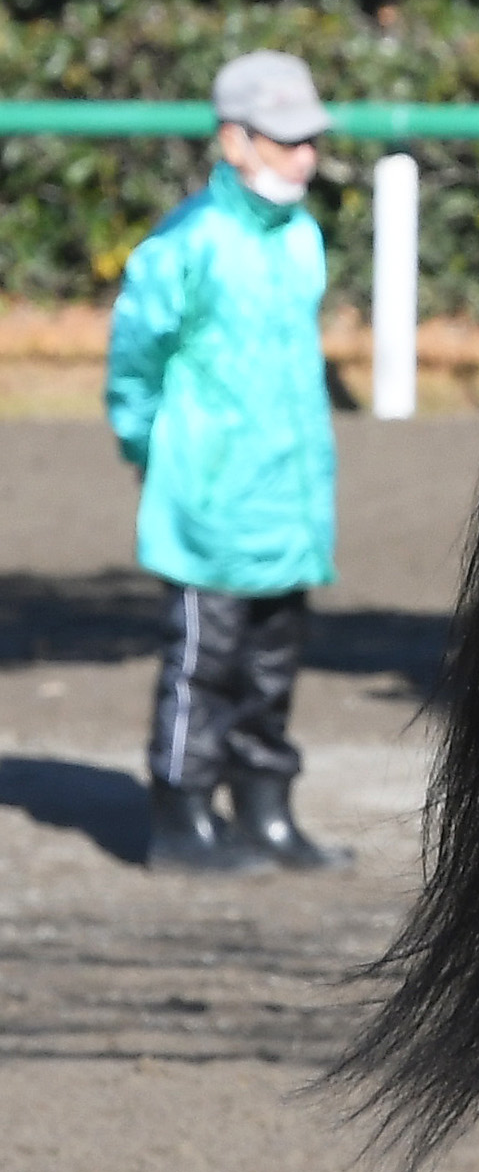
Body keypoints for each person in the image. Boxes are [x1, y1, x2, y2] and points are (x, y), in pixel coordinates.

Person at [106, 50, 349, 875]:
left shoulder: (302, 237)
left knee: (274, 664)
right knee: (202, 664)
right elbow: (134, 365)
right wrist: (154, 453)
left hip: (289, 493)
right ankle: (181, 817)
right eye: (285, 140)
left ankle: (264, 809)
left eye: (309, 138)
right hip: (207, 498)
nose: (305, 156)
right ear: (234, 140)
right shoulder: (188, 243)